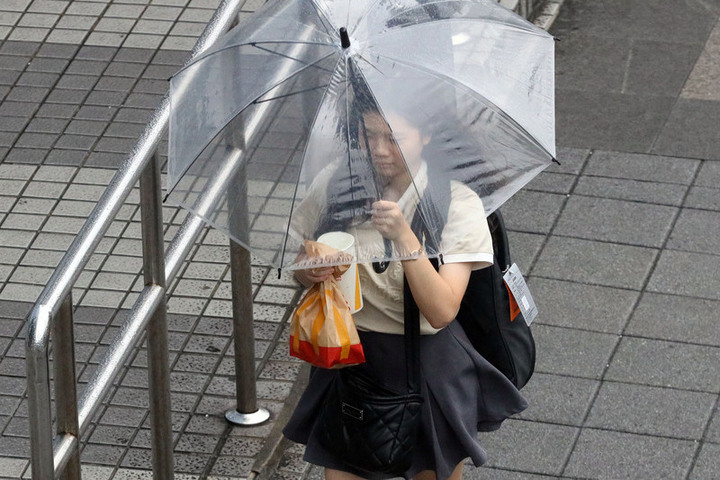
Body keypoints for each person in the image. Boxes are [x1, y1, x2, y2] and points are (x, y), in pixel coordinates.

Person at [282, 102, 527, 480]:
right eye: (369, 135)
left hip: (426, 362)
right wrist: (311, 271)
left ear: (426, 137)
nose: (379, 149)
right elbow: (303, 257)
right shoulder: (337, 183)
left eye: (394, 138)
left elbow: (442, 310)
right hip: (352, 354)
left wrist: (404, 236)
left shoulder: (455, 202)